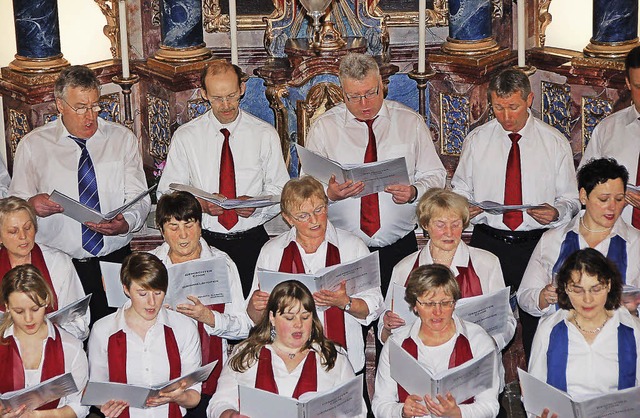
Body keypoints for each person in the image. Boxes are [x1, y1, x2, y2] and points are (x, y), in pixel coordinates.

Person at [451, 67, 580, 358]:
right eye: (498, 108)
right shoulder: (478, 140)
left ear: (529, 99)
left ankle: (538, 391)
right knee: (482, 324)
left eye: (513, 107)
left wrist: (556, 211)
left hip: (536, 243)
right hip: (488, 241)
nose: (506, 116)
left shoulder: (553, 141)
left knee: (540, 323)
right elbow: (459, 189)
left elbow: (572, 201)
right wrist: (464, 207)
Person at [9, 65, 151, 327]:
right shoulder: (33, 145)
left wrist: (127, 222)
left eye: (95, 106)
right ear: (60, 105)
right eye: (81, 107)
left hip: (114, 260)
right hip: (60, 265)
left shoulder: (121, 139)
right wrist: (31, 205)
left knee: (120, 336)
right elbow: (14, 207)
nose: (90, 116)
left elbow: (139, 197)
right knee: (65, 338)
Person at [305, 52, 447, 296]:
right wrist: (329, 194)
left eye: (371, 93)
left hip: (400, 246)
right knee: (348, 323)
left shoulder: (409, 122)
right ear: (342, 92)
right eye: (355, 97)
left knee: (401, 320)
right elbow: (306, 189)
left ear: (382, 84)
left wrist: (414, 192)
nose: (364, 104)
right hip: (343, 248)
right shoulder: (324, 128)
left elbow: (436, 175)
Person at [157, 59, 289, 298]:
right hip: (203, 243)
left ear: (242, 89)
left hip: (251, 240)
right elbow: (166, 192)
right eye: (217, 98)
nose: (226, 105)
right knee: (207, 313)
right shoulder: (187, 136)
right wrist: (198, 206)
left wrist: (256, 207)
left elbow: (280, 190)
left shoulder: (264, 134)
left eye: (231, 95)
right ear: (204, 94)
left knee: (251, 317)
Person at [247, 176, 384, 376]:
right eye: (303, 215)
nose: (314, 220)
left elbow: (375, 304)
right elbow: (255, 316)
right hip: (287, 367)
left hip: (344, 362)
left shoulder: (352, 246)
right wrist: (255, 305)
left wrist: (345, 302)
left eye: (319, 210)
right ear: (287, 218)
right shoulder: (272, 251)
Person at [149, 191, 252, 417]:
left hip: (208, 379)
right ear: (161, 230)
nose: (183, 235)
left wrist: (208, 317)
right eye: (173, 227)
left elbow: (243, 327)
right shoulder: (150, 266)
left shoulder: (222, 263)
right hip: (162, 378)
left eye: (190, 224)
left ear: (200, 224)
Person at [380, 188, 515, 352]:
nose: (449, 232)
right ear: (425, 224)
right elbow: (386, 327)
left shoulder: (487, 263)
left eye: (456, 224)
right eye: (440, 225)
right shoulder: (404, 268)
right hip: (422, 358)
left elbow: (505, 321)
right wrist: (387, 326)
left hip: (476, 356)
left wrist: (488, 346)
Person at [208, 280, 366, 418]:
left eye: (305, 317)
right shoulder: (246, 353)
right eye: (289, 317)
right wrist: (230, 415)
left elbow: (357, 411)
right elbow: (219, 403)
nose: (298, 324)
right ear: (272, 318)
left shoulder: (332, 357)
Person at [519, 158, 640, 330]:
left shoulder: (635, 242)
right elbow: (525, 296)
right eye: (604, 199)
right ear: (583, 195)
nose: (612, 207)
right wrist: (544, 296)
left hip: (619, 343)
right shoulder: (553, 239)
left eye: (619, 199)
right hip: (564, 342)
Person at [372, 264, 500, 418]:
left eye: (445, 303)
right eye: (428, 304)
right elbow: (380, 404)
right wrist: (401, 411)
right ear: (414, 305)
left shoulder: (478, 341)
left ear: (455, 303)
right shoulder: (397, 344)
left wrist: (458, 413)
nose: (437, 312)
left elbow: (490, 405)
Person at [87, 252, 201, 418]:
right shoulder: (103, 330)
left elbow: (194, 396)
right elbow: (98, 389)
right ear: (126, 289)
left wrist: (179, 397)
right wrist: (105, 404)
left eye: (158, 293)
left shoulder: (184, 328)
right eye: (142, 294)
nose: (152, 303)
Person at [529, 248, 640, 416]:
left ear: (609, 285)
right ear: (565, 288)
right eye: (578, 290)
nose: (587, 299)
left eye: (596, 289)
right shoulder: (549, 329)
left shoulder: (632, 329)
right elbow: (536, 393)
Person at [0, 264, 89, 418]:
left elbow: (80, 405)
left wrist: (37, 416)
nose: (28, 319)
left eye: (35, 309)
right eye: (19, 311)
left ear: (46, 300)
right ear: (7, 306)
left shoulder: (70, 347)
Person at [0, 197, 89, 340]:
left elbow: (79, 322)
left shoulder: (58, 262)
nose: (23, 236)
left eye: (28, 227)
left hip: (52, 346)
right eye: (13, 231)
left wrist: (46, 333)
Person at [580, 45, 640, 227]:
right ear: (628, 83)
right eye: (639, 86)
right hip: (616, 237)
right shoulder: (608, 128)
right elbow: (584, 182)